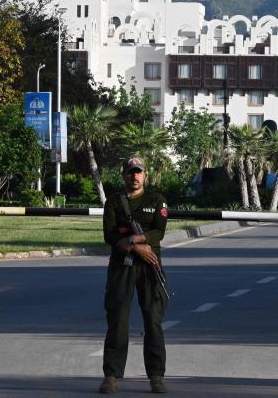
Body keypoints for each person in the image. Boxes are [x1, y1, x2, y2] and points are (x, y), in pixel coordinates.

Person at [99, 157, 169, 394]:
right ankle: (111, 376)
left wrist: (136, 239)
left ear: (145, 175)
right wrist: (134, 247)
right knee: (118, 321)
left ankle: (156, 376)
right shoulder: (114, 202)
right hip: (122, 267)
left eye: (138, 172)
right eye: (130, 172)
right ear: (124, 176)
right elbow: (109, 235)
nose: (134, 176)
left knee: (153, 321)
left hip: (150, 268)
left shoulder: (156, 200)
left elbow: (159, 231)